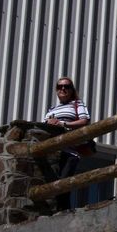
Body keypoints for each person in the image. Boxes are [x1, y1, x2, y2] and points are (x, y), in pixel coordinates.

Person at [40, 76, 91, 211]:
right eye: (60, 86)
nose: (63, 89)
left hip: (71, 152)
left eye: (66, 86)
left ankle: (64, 213)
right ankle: (58, 212)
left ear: (71, 90)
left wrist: (63, 123)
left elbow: (84, 121)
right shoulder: (52, 109)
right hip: (54, 153)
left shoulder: (77, 104)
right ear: (56, 90)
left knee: (63, 184)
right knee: (52, 185)